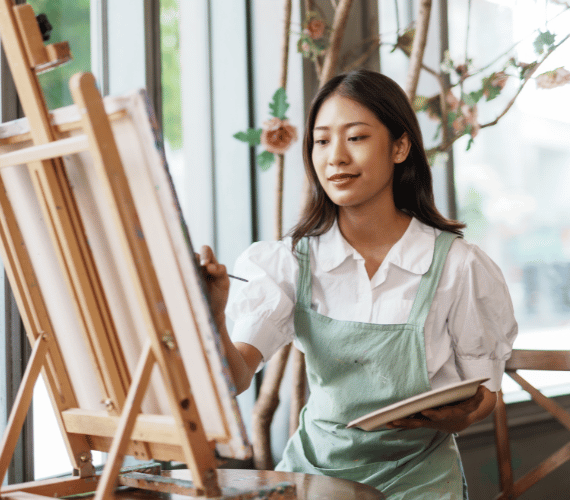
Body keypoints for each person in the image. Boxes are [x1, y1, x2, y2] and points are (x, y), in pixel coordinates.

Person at [200, 69, 518, 499]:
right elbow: (235, 377)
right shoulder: (287, 263)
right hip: (314, 479)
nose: (336, 158)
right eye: (322, 140)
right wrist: (216, 312)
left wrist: (447, 417)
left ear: (400, 146)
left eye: (356, 138)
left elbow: (484, 397)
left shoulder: (458, 267)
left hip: (419, 480)